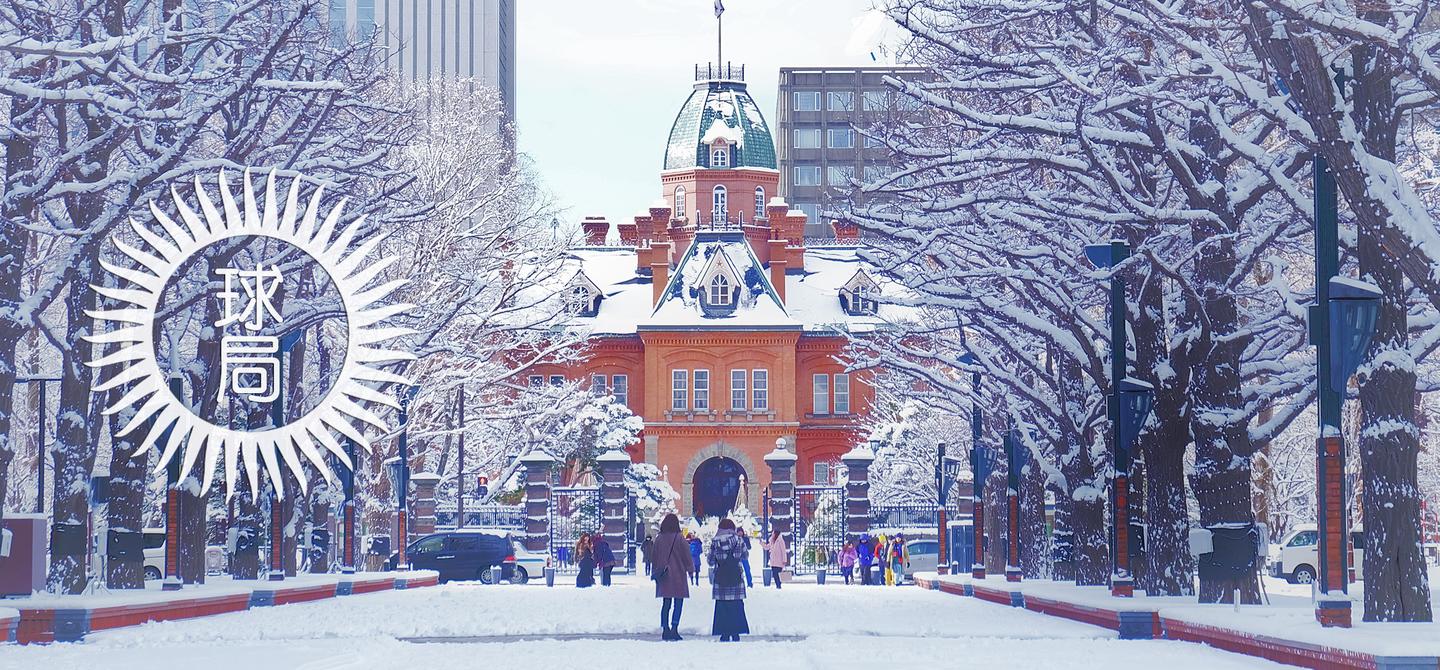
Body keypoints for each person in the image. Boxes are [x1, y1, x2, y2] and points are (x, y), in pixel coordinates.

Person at [707, 518, 750, 642]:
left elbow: (710, 561)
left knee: (722, 607)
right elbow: (745, 556)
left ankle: (724, 633)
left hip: (721, 580)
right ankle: (735, 632)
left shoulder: (715, 542)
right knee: (736, 606)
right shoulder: (739, 540)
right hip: (736, 578)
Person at [652, 514, 694, 641]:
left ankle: (665, 628)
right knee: (678, 603)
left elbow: (654, 556)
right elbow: (687, 556)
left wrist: (655, 571)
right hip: (678, 575)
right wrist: (691, 571)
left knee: (666, 603)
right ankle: (674, 628)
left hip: (664, 575)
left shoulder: (659, 538)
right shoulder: (680, 538)